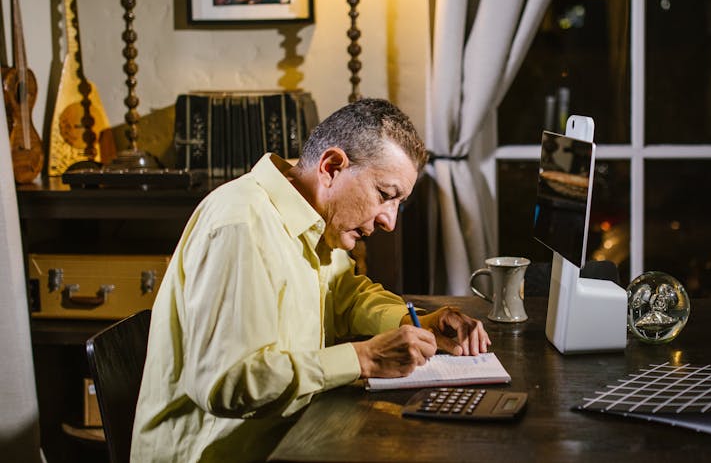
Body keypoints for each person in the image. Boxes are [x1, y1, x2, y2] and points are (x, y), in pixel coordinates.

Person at [131, 98, 491, 462]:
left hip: (291, 441)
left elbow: (346, 295)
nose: (389, 222)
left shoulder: (311, 215)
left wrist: (413, 321)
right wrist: (363, 358)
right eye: (385, 195)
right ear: (331, 167)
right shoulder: (241, 225)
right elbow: (227, 383)